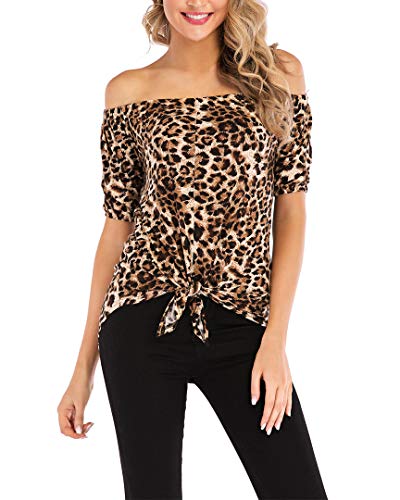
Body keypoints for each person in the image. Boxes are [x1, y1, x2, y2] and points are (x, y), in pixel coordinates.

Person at [57, 0, 328, 498]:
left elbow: (291, 210)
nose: (197, 3)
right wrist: (82, 371)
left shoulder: (280, 75)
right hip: (141, 320)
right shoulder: (127, 91)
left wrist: (274, 340)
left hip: (242, 319)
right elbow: (116, 229)